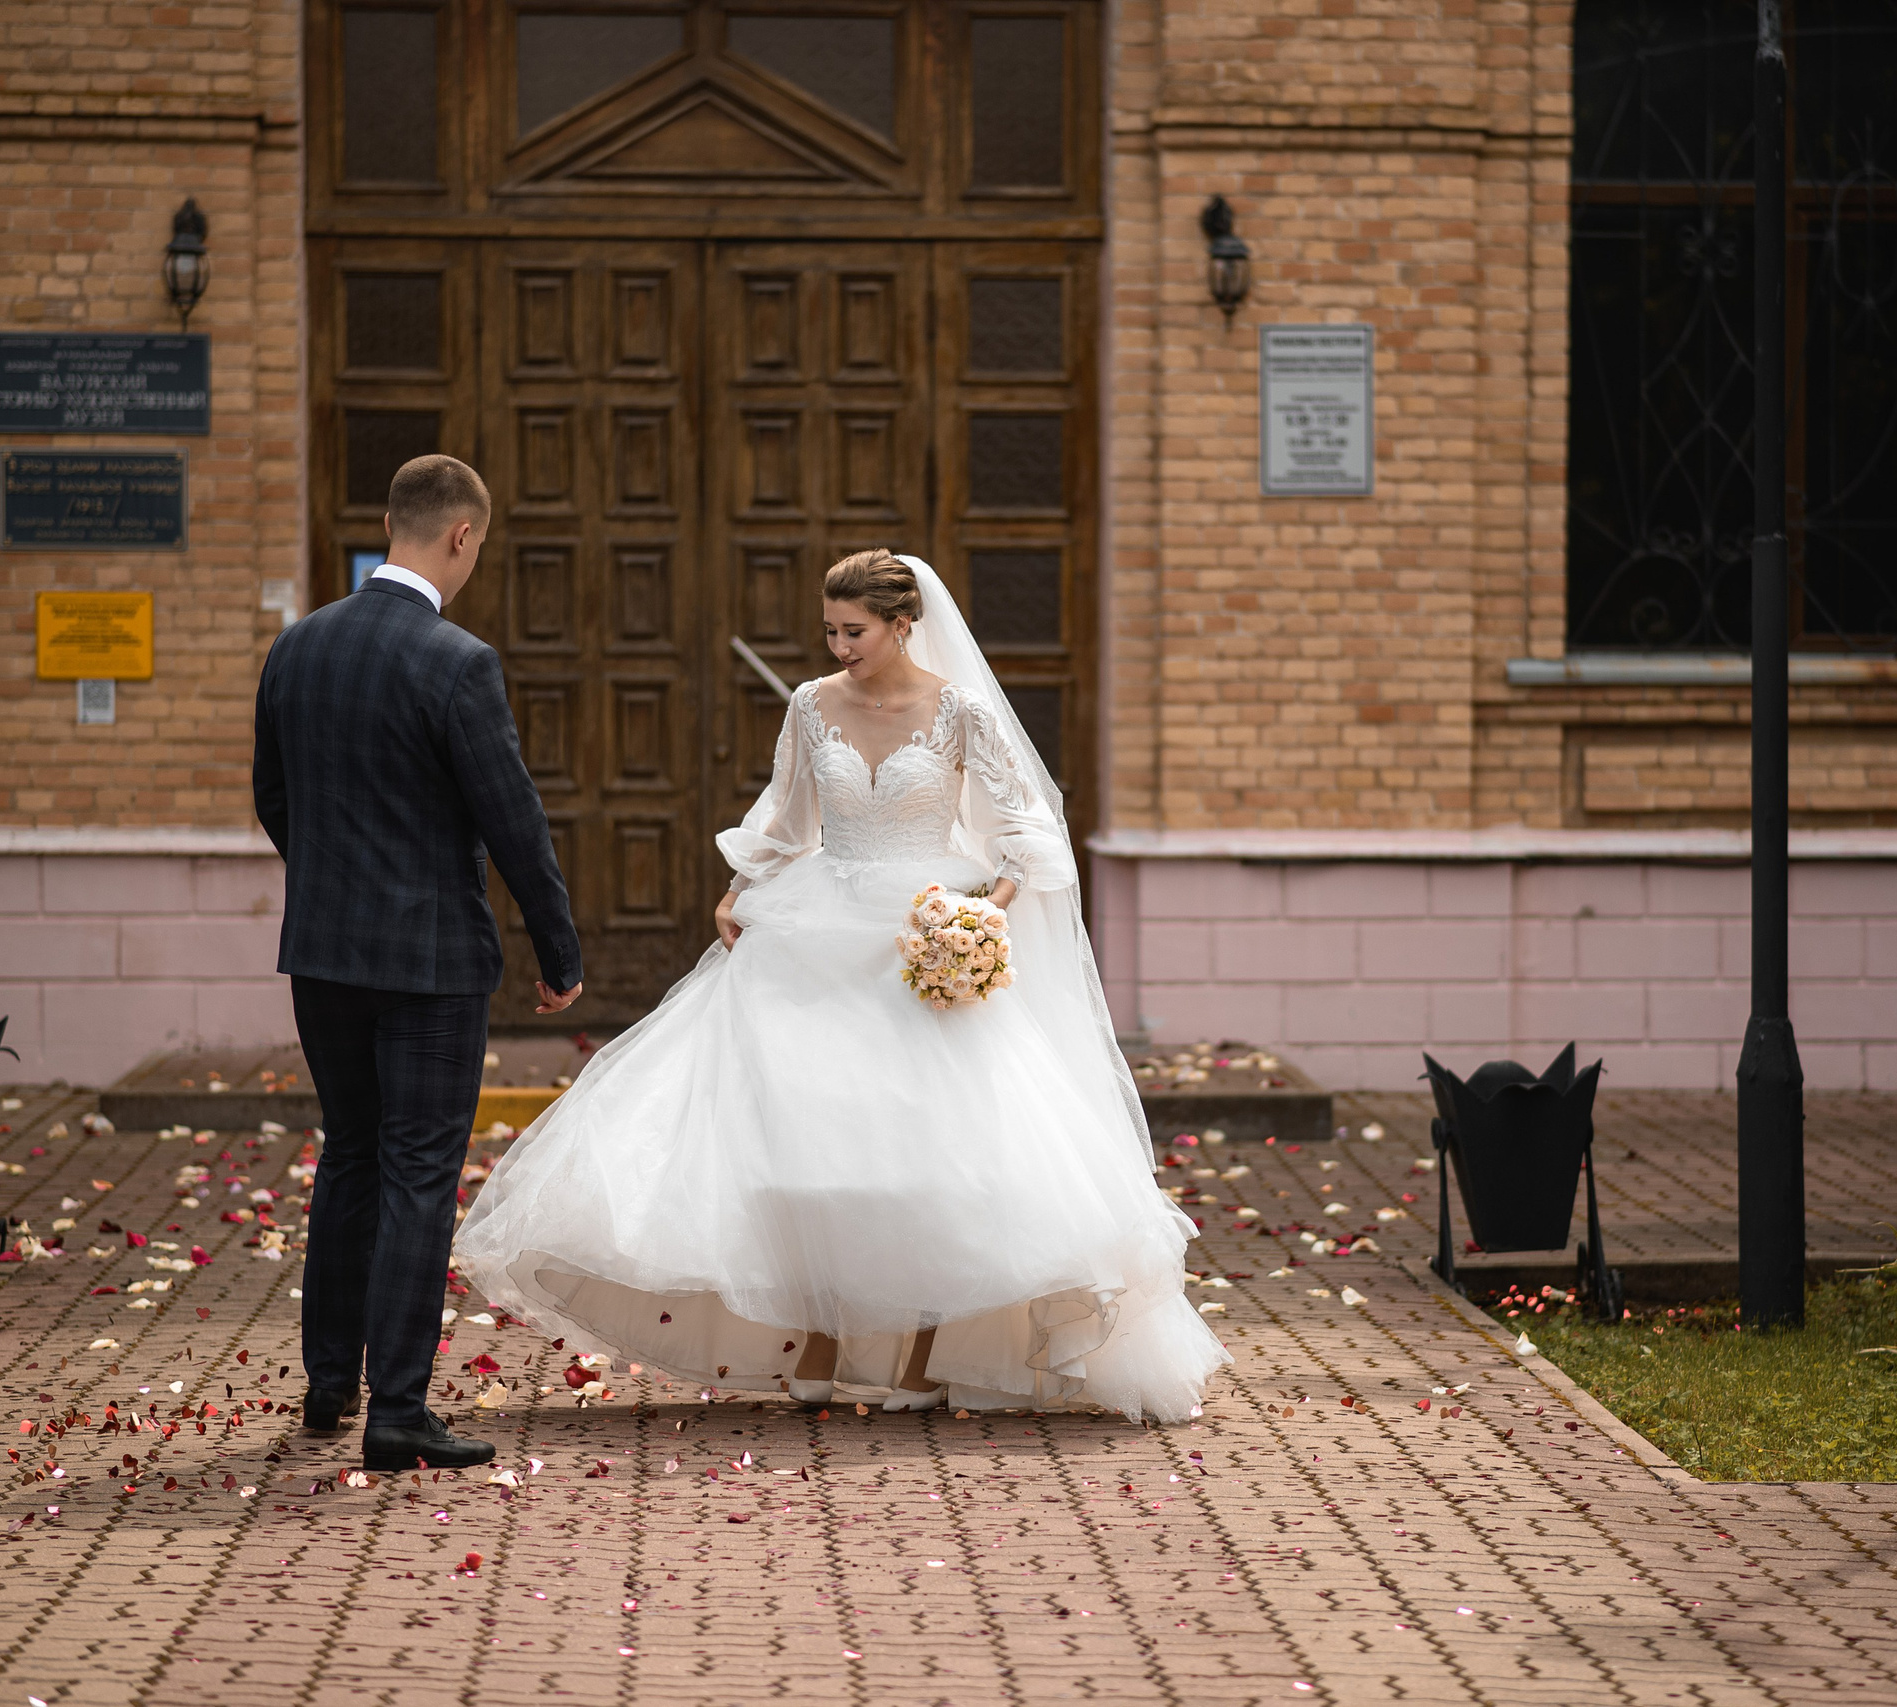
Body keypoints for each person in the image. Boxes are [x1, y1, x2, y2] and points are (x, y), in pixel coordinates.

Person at [457, 550, 1226, 1420]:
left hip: (920, 937)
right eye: (830, 630)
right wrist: (740, 888)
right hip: (819, 931)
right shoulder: (810, 703)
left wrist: (984, 914)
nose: (839, 645)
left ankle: (921, 1356)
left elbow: (1025, 834)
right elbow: (786, 817)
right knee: (812, 1149)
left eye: (854, 630)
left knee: (932, 1156)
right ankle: (818, 1341)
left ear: (903, 623)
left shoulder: (961, 710)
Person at [253, 453, 585, 1472]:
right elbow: (511, 819)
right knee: (416, 1173)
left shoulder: (297, 646)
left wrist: (328, 886)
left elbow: (273, 795)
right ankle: (396, 1408)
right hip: (430, 961)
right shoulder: (457, 661)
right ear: (459, 536)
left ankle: (325, 1384)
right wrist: (556, 946)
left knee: (350, 1150)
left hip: (322, 952)